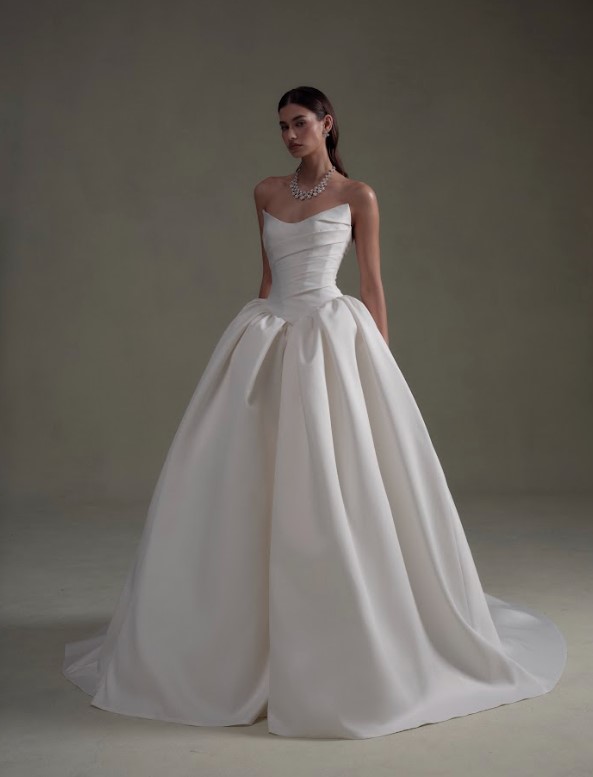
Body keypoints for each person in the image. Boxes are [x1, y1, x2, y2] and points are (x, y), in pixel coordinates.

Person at [63, 86, 567, 740]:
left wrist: (379, 366)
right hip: (269, 335)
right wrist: (250, 347)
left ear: (326, 123)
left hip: (331, 336)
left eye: (299, 122)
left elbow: (371, 282)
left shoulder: (358, 195)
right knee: (247, 476)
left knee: (331, 481)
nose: (289, 134)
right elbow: (267, 280)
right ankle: (235, 632)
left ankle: (344, 621)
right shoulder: (265, 192)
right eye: (281, 126)